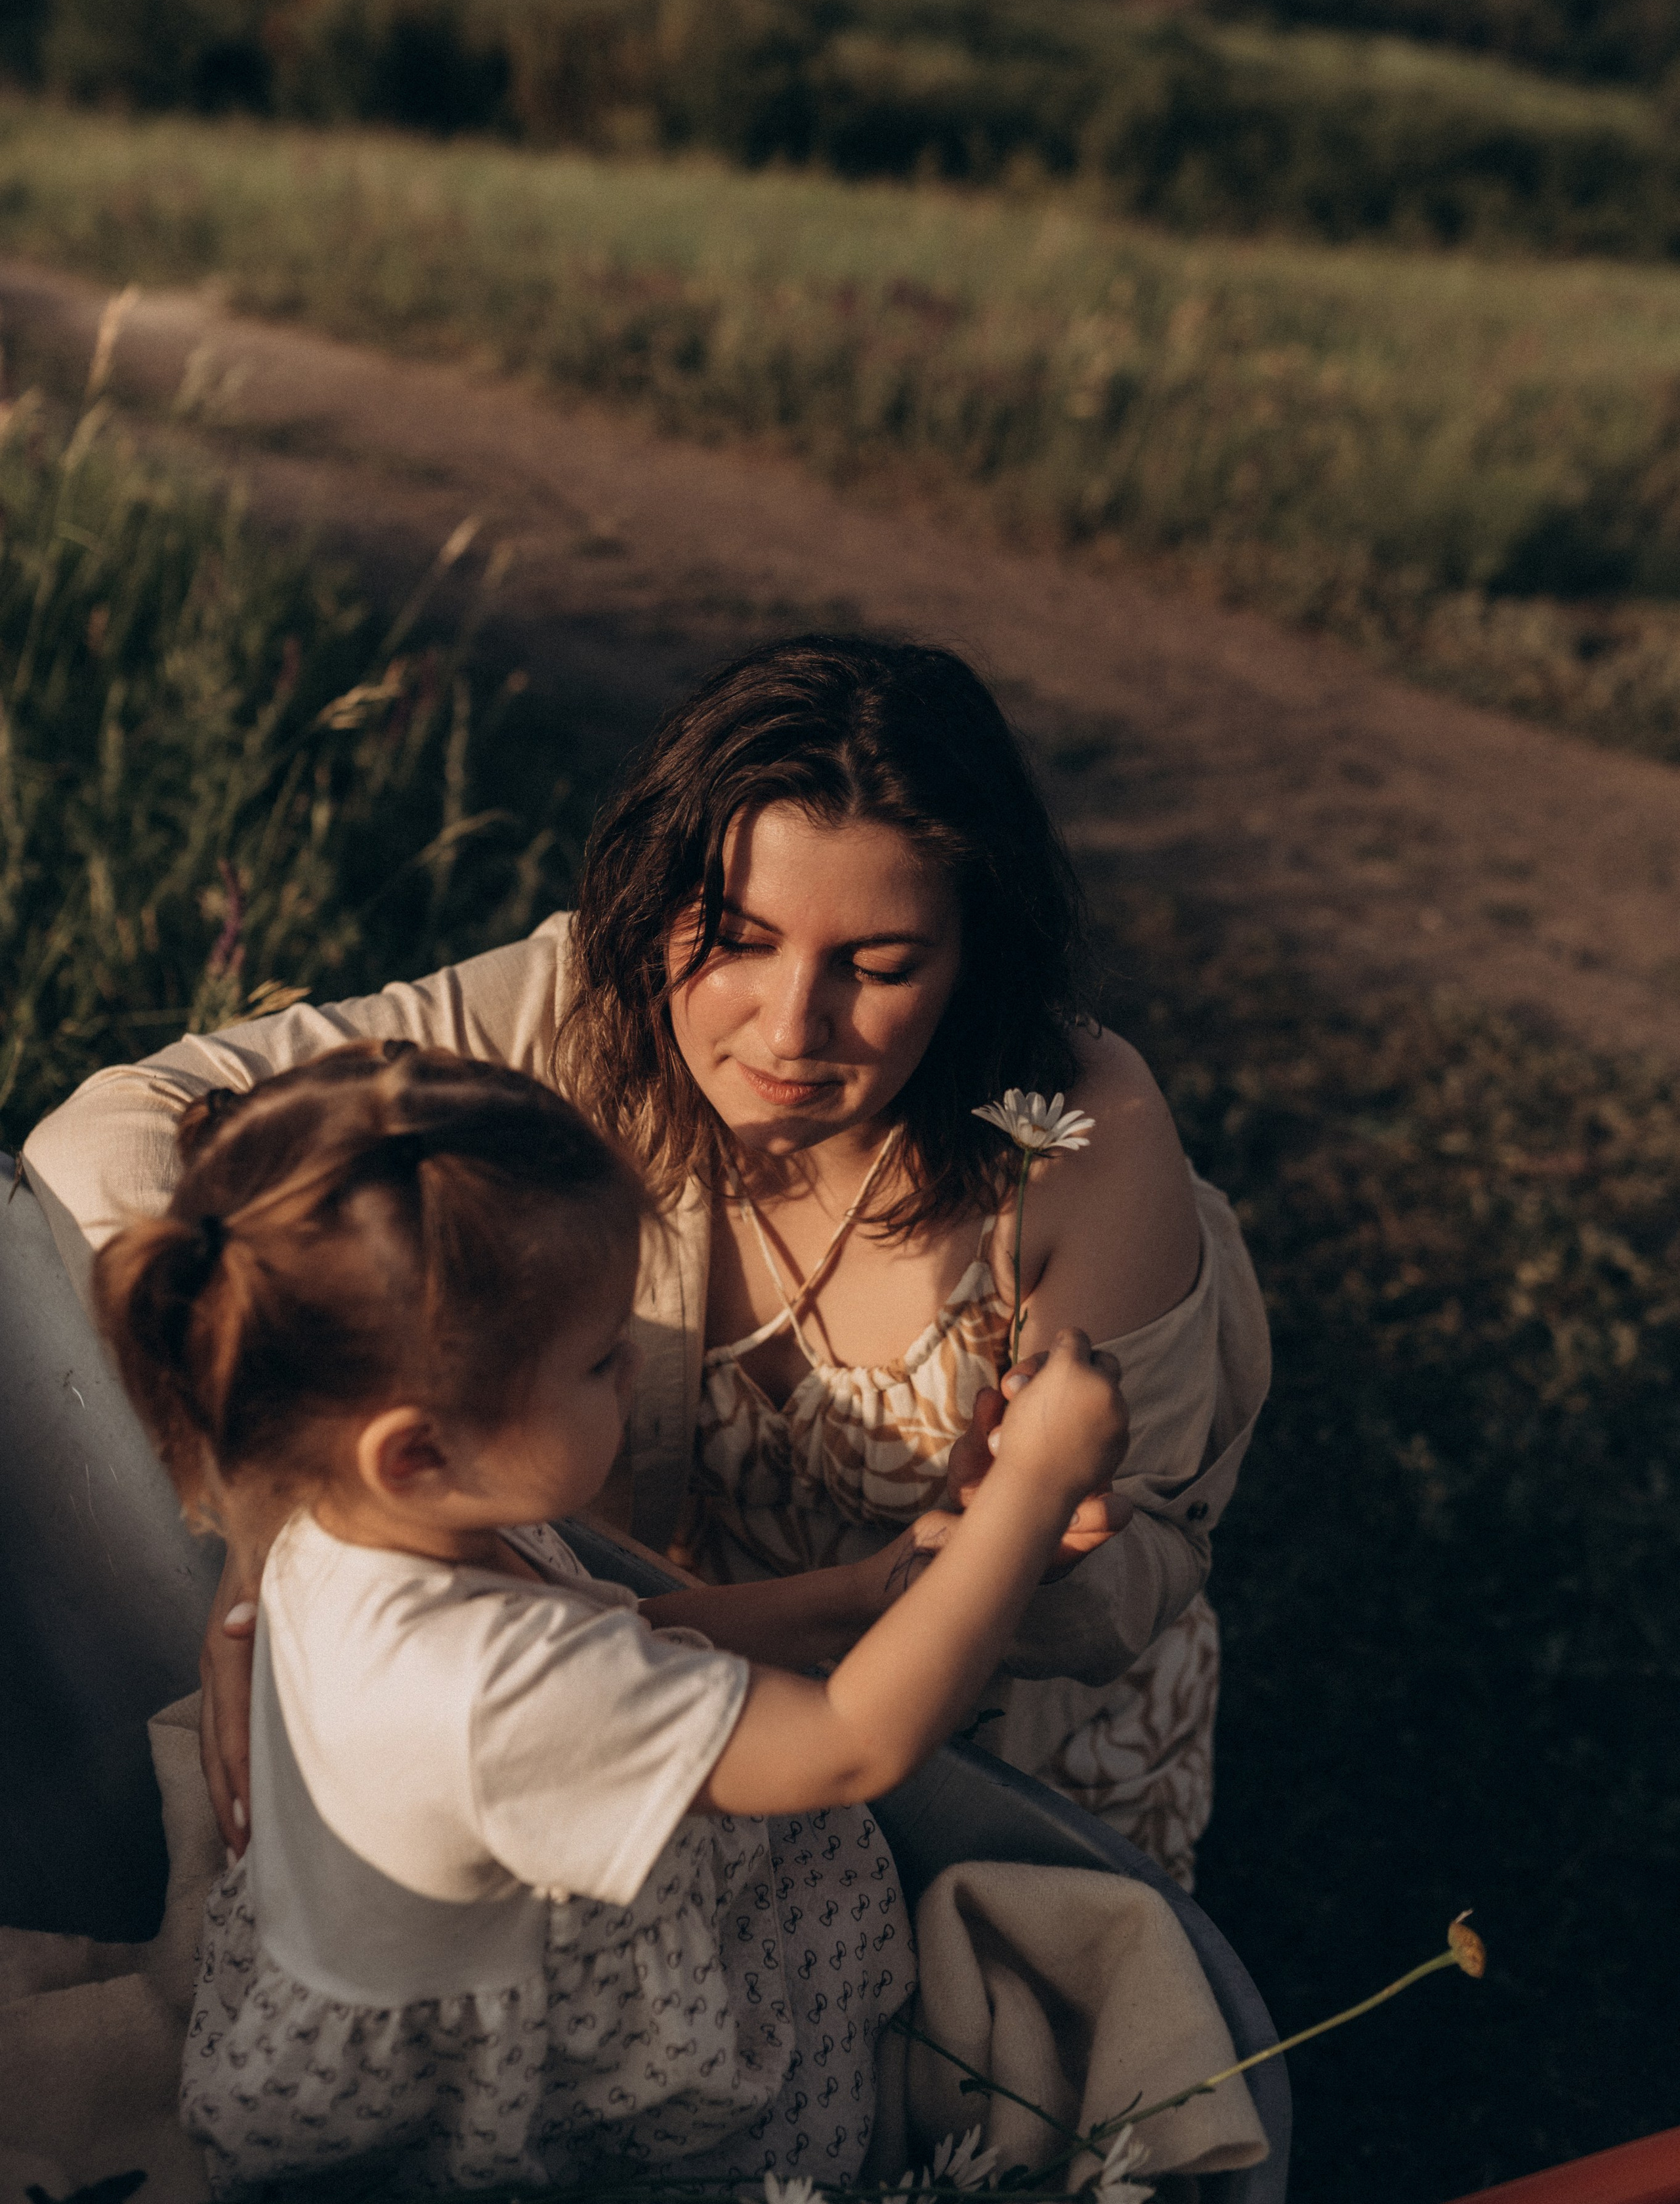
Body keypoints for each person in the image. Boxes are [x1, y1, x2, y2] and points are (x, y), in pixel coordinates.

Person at [23, 633, 1271, 1890]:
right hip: (640, 1695)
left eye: (879, 966)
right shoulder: (579, 1007)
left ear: (974, 956)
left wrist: (1038, 1516)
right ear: (654, 900)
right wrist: (281, 1521)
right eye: (735, 938)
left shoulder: (1069, 1130)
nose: (792, 1027)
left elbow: (1128, 1592)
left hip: (990, 1771)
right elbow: (111, 1131)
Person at [92, 1040, 1129, 2195]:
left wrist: (861, 1589)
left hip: (419, 1965)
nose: (636, 1366)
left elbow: (624, 1628)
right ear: (420, 1449)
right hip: (515, 2087)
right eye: (597, 1362)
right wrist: (1029, 1497)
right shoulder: (486, 1683)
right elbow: (852, 1745)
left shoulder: (345, 1523)